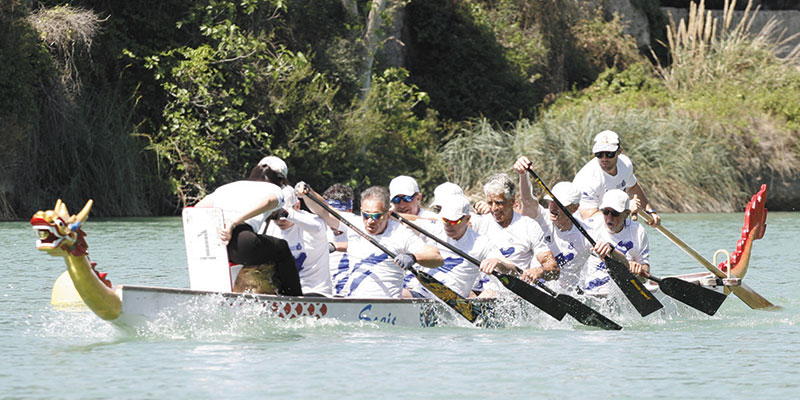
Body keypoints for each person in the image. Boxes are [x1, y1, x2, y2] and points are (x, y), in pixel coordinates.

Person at [298, 184, 444, 299]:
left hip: (387, 307)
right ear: (361, 210)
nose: (370, 221)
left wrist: (413, 257)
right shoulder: (354, 224)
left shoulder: (400, 233)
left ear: (388, 214)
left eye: (376, 216)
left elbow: (436, 257)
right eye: (366, 215)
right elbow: (324, 210)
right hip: (354, 301)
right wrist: (308, 192)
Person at [194, 164, 303, 296]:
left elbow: (197, 209)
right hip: (241, 241)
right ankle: (293, 298)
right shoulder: (276, 189)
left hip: (211, 241)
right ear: (280, 182)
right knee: (282, 248)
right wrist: (233, 223)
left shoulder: (229, 187)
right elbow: (268, 201)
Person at [403, 194, 515, 299]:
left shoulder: (481, 243)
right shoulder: (437, 227)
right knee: (397, 293)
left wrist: (498, 263)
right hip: (421, 294)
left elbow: (512, 270)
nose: (448, 225)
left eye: (454, 221)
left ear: (467, 219)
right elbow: (402, 222)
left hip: (454, 302)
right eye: (445, 219)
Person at [512, 156, 593, 294]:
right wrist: (523, 175)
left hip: (568, 295)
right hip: (537, 289)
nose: (553, 208)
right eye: (551, 202)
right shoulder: (542, 219)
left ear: (574, 208)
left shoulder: (587, 234)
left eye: (560, 205)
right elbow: (527, 201)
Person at [470, 173, 559, 296]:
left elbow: (554, 270)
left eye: (499, 203)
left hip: (514, 293)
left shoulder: (528, 226)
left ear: (512, 201)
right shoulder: (479, 222)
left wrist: (539, 271)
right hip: (482, 290)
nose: (494, 208)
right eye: (490, 203)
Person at [572, 130, 660, 226]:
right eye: (599, 154)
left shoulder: (625, 164)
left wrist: (649, 211)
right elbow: (589, 217)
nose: (604, 159)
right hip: (586, 226)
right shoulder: (587, 179)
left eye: (609, 154)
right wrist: (626, 209)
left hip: (613, 222)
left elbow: (633, 188)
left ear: (619, 151)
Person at [581, 189, 651, 296]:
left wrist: (639, 270)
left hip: (622, 291)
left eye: (615, 213)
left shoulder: (638, 231)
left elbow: (645, 276)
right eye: (605, 212)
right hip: (590, 291)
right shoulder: (590, 226)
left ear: (627, 214)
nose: (609, 218)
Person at [266, 189, 333, 297]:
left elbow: (317, 227)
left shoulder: (313, 221)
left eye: (283, 215)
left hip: (315, 291)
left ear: (297, 206)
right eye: (275, 216)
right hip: (283, 292)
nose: (280, 220)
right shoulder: (268, 226)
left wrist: (288, 214)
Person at [322, 183, 355, 296]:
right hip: (323, 291)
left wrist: (336, 246)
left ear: (349, 211)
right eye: (328, 216)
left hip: (351, 292)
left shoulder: (360, 227)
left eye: (336, 216)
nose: (331, 221)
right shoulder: (316, 227)